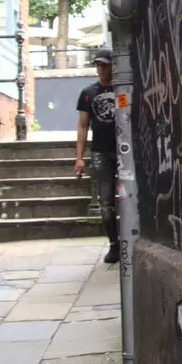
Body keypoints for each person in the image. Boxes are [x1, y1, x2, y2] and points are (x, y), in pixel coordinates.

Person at [75, 47, 120, 263]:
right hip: (101, 152)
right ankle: (114, 244)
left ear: (113, 65)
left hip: (123, 152)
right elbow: (83, 126)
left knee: (129, 198)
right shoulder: (87, 93)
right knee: (105, 201)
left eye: (105, 64)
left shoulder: (122, 89)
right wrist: (80, 158)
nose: (101, 69)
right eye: (98, 65)